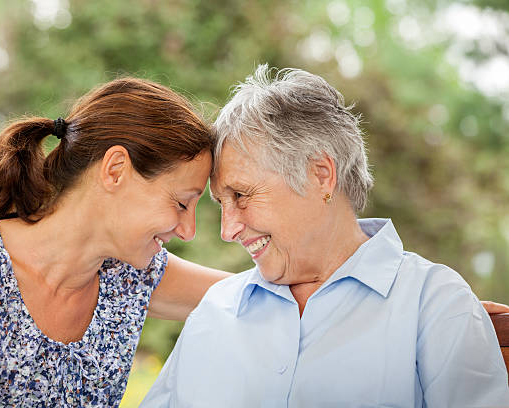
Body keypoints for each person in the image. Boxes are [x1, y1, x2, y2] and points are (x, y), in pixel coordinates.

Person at [141, 65, 509, 407]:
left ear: (320, 175)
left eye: (240, 195)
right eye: (221, 203)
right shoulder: (215, 309)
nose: (227, 230)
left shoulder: (434, 303)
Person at [0, 77, 230, 407]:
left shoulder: (128, 274)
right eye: (181, 203)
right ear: (115, 170)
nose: (189, 231)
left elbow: (256, 295)